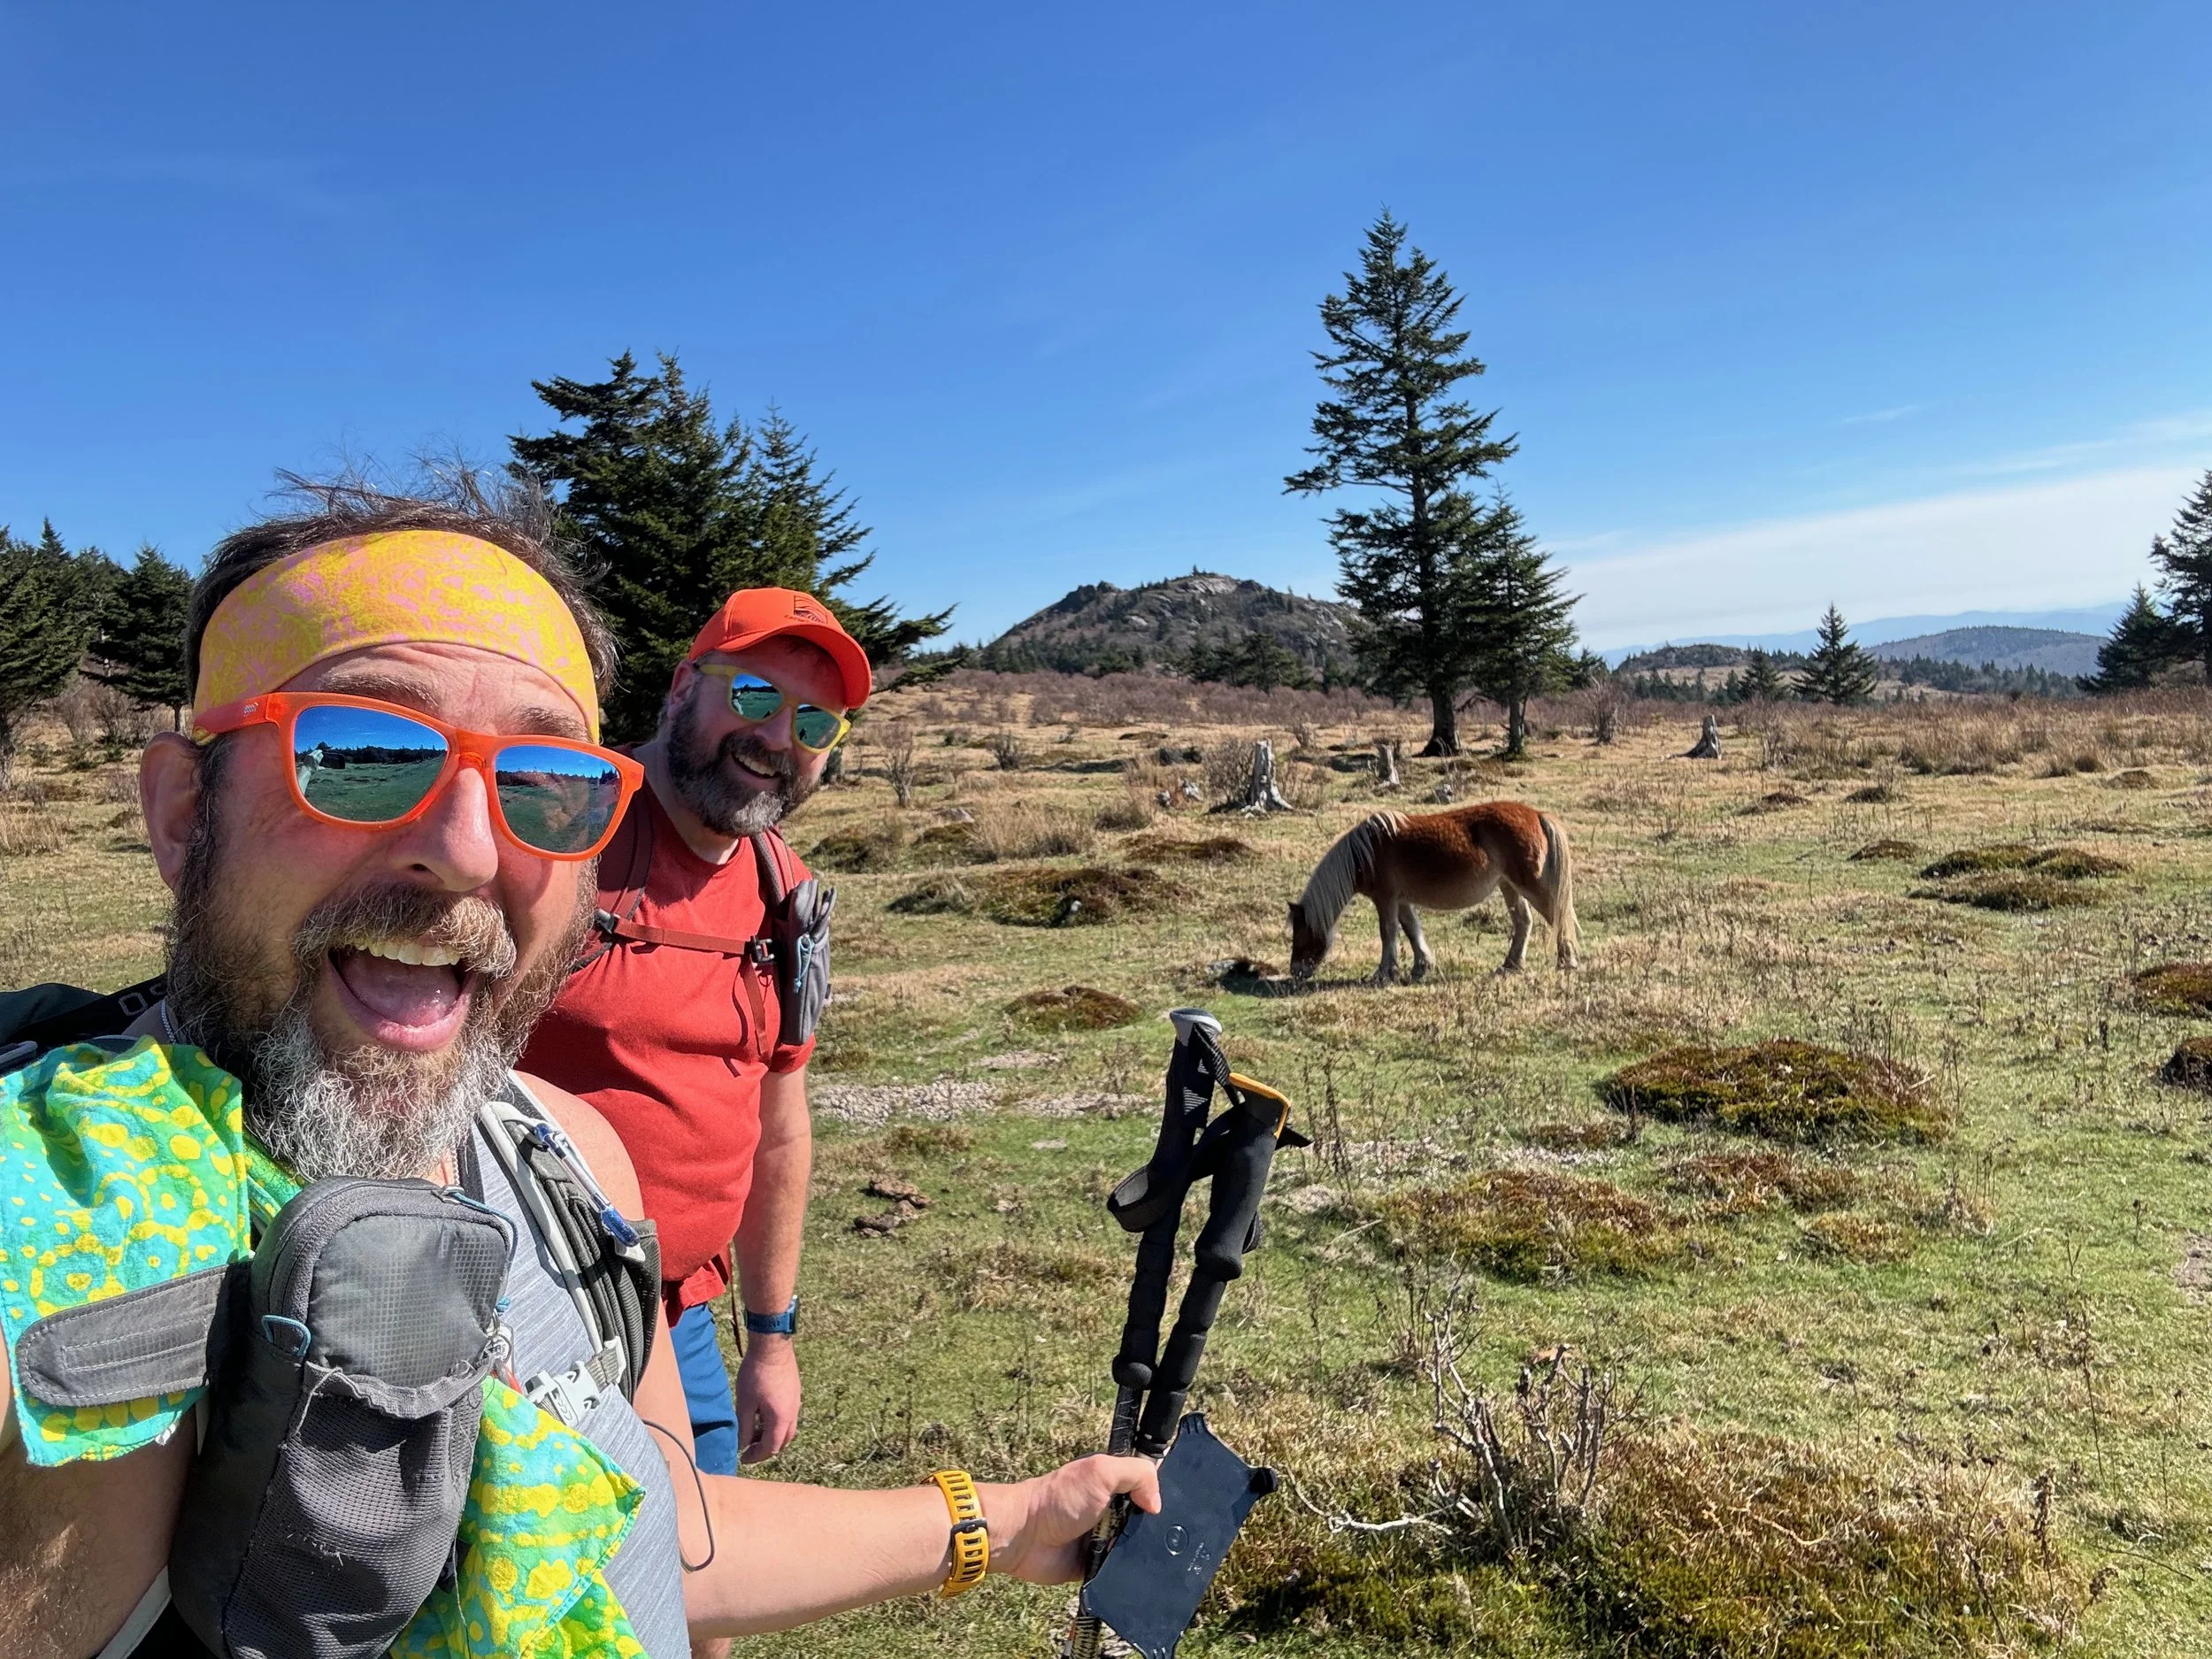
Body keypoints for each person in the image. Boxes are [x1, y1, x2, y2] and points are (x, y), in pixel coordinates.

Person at [0, 480, 1156, 1659]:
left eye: (543, 782)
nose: (464, 849)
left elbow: (668, 1529)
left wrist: (1002, 1519)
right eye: (359, 750)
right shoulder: (63, 1204)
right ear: (183, 811)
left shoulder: (568, 1159)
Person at [522, 586, 866, 1479]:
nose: (778, 736)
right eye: (753, 696)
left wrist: (773, 1337)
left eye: (815, 722)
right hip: (520, 1320)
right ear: (681, 690)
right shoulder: (562, 828)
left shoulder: (782, 892)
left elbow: (778, 1126)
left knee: (703, 1592)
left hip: (678, 1320)